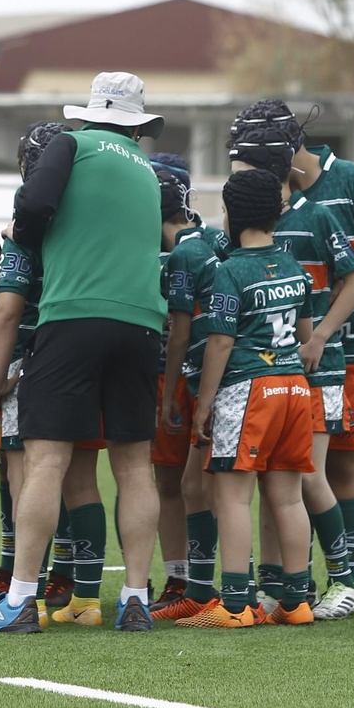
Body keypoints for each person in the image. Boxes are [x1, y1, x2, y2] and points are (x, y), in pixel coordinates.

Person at [0, 72, 167, 634]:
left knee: (47, 460)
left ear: (89, 112)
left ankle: (21, 600)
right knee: (133, 466)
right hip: (142, 322)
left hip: (74, 314)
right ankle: (135, 599)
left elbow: (32, 207)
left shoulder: (70, 144)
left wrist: (28, 235)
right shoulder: (146, 170)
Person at [231, 99, 354, 601]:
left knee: (345, 463)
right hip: (296, 351)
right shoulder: (269, 205)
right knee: (292, 469)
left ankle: (347, 580)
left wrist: (334, 299)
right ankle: (293, 581)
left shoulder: (349, 180)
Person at [227, 124, 354, 620]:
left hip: (319, 371)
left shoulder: (317, 218)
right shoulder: (242, 228)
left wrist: (321, 336)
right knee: (273, 482)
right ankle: (280, 587)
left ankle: (345, 579)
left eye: (240, 163)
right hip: (269, 378)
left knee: (307, 479)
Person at [178, 169, 317, 629]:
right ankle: (296, 601)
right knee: (289, 498)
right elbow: (303, 334)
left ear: (232, 213)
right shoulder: (295, 268)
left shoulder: (230, 271)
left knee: (233, 498)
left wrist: (203, 405)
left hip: (249, 390)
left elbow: (219, 343)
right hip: (295, 388)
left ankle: (236, 605)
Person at [0, 120, 68, 625]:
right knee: (76, 471)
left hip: (32, 354)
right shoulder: (88, 205)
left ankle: (24, 579)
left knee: (22, 470)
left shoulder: (29, 212)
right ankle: (76, 583)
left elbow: (8, 309)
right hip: (81, 348)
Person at [146, 159, 229, 612]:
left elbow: (178, 330)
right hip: (206, 374)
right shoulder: (216, 237)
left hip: (182, 375)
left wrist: (167, 392)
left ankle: (200, 585)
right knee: (185, 483)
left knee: (189, 484)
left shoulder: (179, 251)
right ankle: (192, 582)